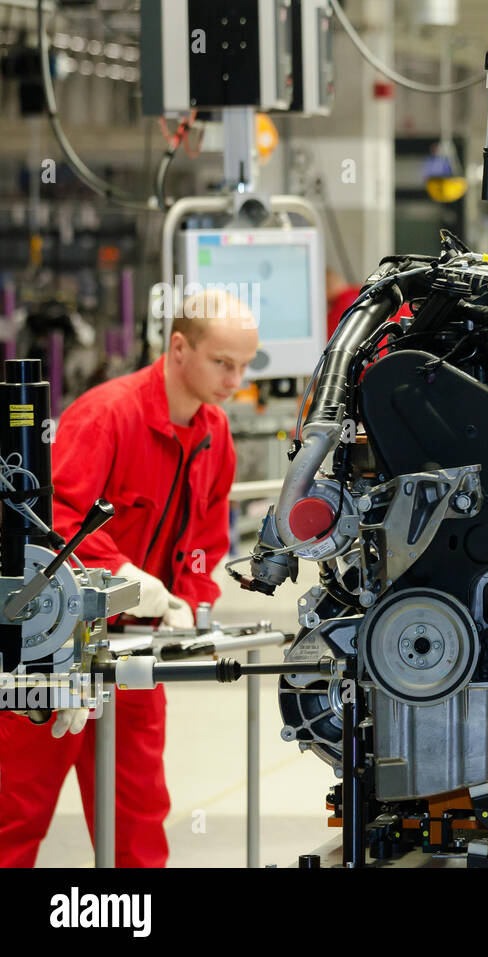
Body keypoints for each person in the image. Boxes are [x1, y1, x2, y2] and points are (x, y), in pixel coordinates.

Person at [0, 289, 259, 867]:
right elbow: (56, 516)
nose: (236, 380)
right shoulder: (105, 415)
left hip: (135, 654)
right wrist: (122, 573)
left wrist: (189, 607)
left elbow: (205, 541)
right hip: (52, 652)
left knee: (137, 823)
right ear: (178, 347)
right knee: (14, 813)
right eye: (223, 363)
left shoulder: (214, 435)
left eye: (246, 365)